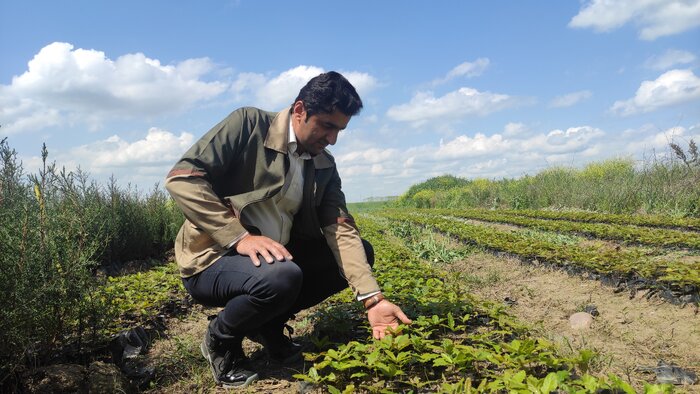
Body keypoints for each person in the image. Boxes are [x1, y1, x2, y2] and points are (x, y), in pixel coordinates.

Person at [165, 71, 411, 388]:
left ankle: (267, 326)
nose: (332, 139)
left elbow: (340, 228)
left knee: (360, 250)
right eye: (327, 125)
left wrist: (373, 300)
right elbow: (183, 178)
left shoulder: (323, 165)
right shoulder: (248, 125)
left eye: (340, 130)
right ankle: (220, 339)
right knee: (282, 276)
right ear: (299, 110)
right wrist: (238, 237)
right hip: (211, 260)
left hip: (271, 259)